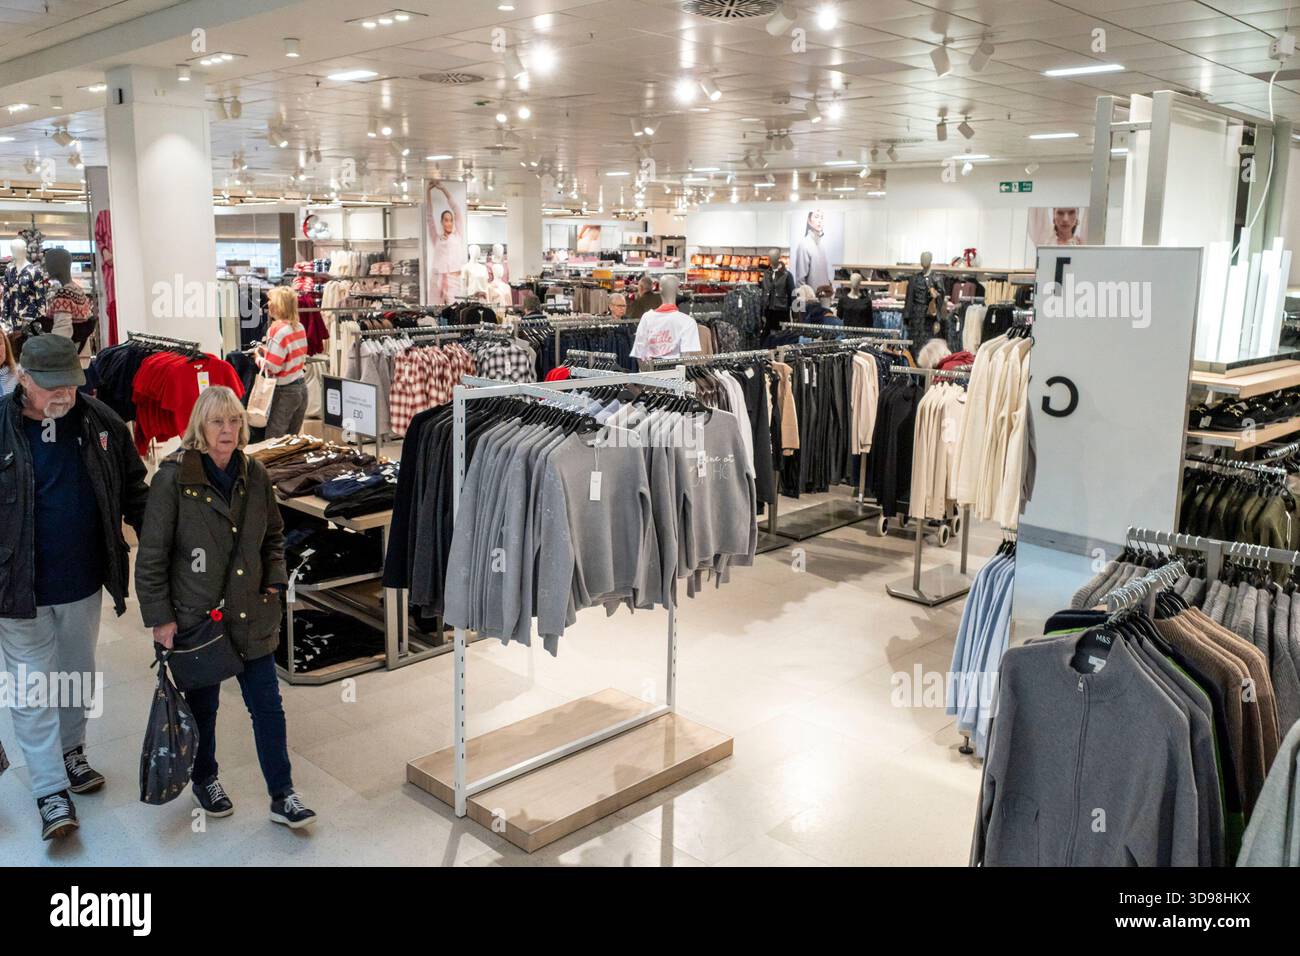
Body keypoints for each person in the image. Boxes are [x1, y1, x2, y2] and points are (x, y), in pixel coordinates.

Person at [135, 386, 317, 829]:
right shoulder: (173, 479)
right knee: (205, 708)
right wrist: (161, 618)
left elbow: (274, 535)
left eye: (235, 420)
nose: (228, 430)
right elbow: (152, 555)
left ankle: (283, 794)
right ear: (201, 426)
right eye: (218, 422)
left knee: (268, 706)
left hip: (252, 611)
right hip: (199, 617)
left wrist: (274, 581)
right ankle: (206, 778)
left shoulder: (254, 474)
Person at [0, 335, 149, 840]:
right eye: (50, 386)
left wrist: (161, 548)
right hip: (17, 590)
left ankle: (72, 751)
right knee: (31, 688)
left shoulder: (100, 421)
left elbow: (134, 489)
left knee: (76, 675)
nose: (63, 393)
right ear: (23, 379)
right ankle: (49, 791)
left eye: (70, 381)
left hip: (83, 581)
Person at [255, 287, 309, 439]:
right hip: (301, 387)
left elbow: (273, 367)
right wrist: (269, 351)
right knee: (291, 440)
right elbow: (292, 355)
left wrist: (258, 358)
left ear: (277, 305)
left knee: (274, 440)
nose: (268, 304)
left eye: (271, 301)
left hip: (284, 390)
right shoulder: (299, 327)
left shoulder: (277, 330)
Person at [630, 274, 701, 361]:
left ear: (659, 289)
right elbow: (688, 359)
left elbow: (640, 353)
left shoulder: (646, 318)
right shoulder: (688, 322)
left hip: (652, 371)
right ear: (678, 290)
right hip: (677, 371)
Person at [427, 182, 467, 304]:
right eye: (446, 220)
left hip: (454, 280)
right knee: (436, 311)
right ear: (442, 222)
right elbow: (429, 217)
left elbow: (457, 210)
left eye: (451, 220)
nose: (449, 223)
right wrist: (427, 191)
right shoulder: (437, 238)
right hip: (437, 279)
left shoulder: (458, 235)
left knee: (454, 310)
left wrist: (444, 189)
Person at [792, 209, 832, 290]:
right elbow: (800, 280)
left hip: (824, 296)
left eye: (822, 218)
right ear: (809, 221)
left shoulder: (821, 245)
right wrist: (806, 300)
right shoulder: (804, 245)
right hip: (812, 300)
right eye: (816, 217)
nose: (819, 221)